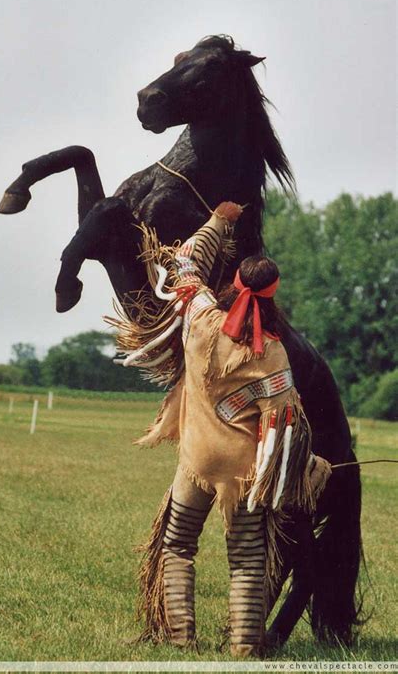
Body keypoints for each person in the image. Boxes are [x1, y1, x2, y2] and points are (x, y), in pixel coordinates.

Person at [108, 202, 331, 657]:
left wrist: (218, 221)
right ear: (273, 295)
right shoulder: (273, 355)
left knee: (177, 542)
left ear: (234, 285)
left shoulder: (200, 319)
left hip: (196, 460)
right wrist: (311, 464)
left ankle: (179, 636)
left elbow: (187, 262)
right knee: (247, 560)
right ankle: (245, 647)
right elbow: (285, 430)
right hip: (243, 473)